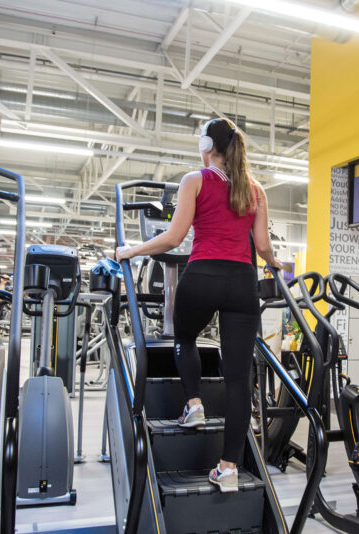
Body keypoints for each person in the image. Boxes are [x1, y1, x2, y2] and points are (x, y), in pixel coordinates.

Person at [116, 118, 282, 493]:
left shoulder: (194, 180)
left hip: (203, 277)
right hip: (242, 284)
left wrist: (132, 250)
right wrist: (277, 265)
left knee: (184, 336)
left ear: (207, 144)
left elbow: (174, 238)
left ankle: (194, 405)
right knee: (240, 379)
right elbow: (262, 247)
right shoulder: (255, 190)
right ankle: (228, 469)